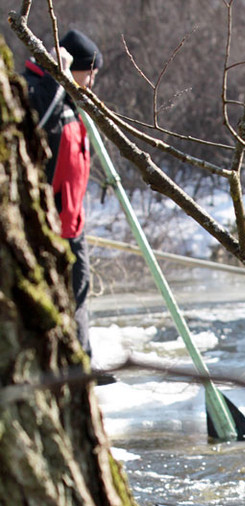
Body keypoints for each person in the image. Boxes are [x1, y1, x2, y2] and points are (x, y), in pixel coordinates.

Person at [24, 29, 103, 357]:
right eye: (90, 73)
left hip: (73, 220)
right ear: (71, 69)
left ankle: (82, 361)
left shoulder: (72, 104)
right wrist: (57, 78)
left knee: (79, 293)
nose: (92, 82)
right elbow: (36, 123)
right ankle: (64, 367)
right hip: (47, 224)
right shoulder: (35, 91)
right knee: (53, 300)